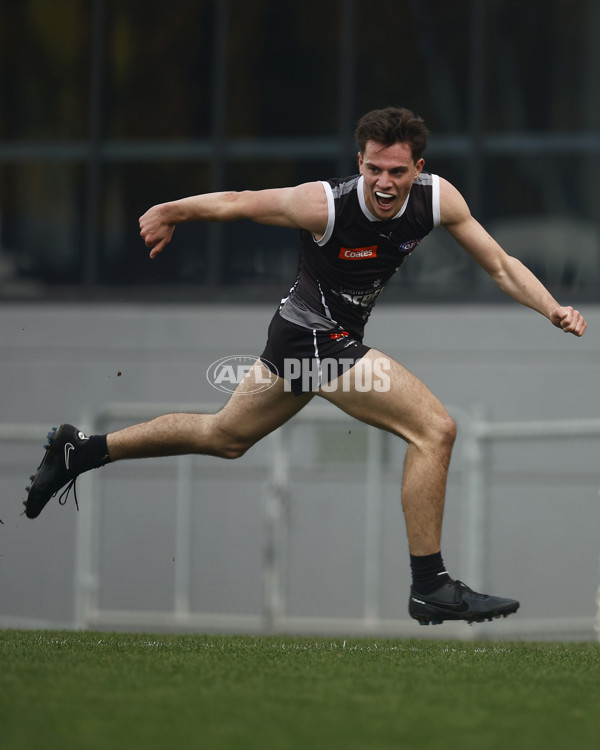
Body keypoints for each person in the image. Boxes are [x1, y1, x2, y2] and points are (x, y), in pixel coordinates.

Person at [23, 107, 587, 626]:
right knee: (435, 429)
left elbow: (502, 265)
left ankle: (81, 449)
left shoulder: (439, 200)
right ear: (358, 163)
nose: (385, 184)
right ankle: (430, 586)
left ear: (418, 166)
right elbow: (239, 201)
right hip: (312, 338)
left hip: (306, 343)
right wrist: (171, 211)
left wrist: (552, 308)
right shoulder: (324, 204)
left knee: (225, 436)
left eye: (396, 171)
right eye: (373, 170)